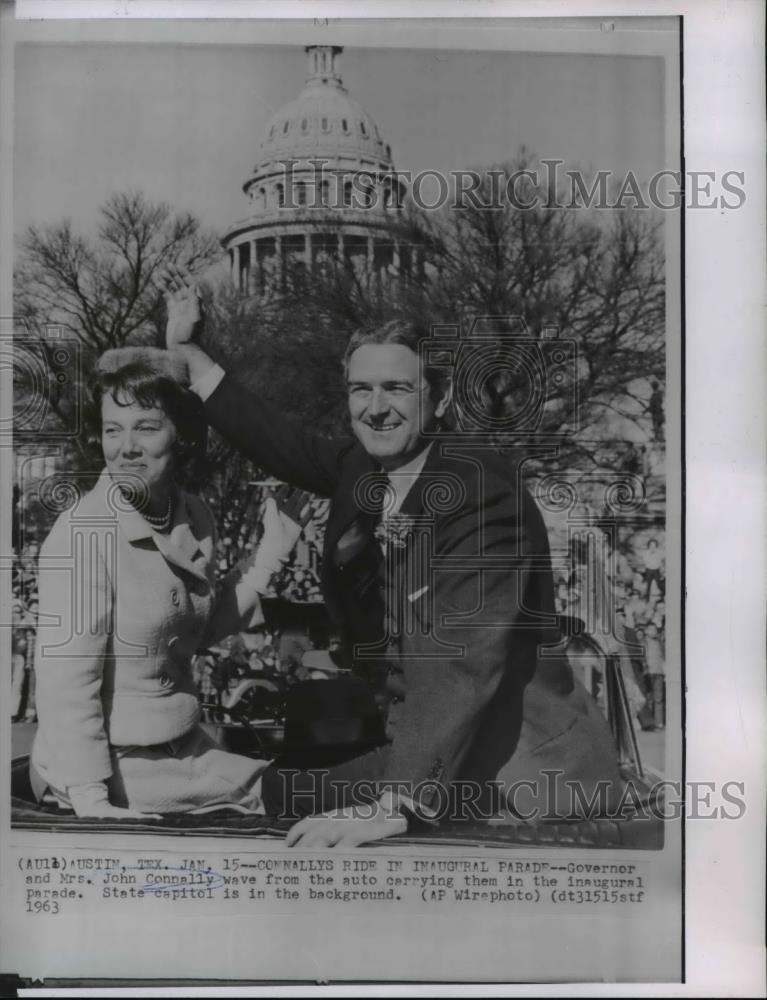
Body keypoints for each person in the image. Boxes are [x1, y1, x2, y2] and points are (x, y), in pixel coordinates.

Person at [162, 269, 622, 847]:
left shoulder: (481, 491)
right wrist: (189, 353)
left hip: (515, 766)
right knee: (259, 792)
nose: (376, 409)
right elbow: (279, 440)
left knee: (272, 807)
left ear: (440, 398)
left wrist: (397, 798)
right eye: (361, 389)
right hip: (421, 743)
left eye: (397, 389)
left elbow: (461, 658)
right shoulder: (366, 467)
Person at [30, 347, 309, 819]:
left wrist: (272, 552)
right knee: (294, 795)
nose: (126, 448)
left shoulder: (195, 514)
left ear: (180, 436)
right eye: (113, 430)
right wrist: (93, 803)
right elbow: (65, 683)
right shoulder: (84, 532)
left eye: (146, 427)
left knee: (309, 787)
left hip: (186, 748)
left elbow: (200, 631)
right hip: (108, 770)